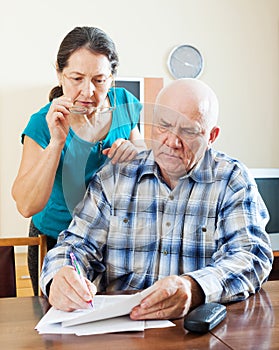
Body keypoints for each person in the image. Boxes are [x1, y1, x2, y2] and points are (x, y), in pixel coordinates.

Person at [40, 78, 273, 319]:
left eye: (189, 131)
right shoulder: (115, 176)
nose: (172, 142)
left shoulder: (231, 179)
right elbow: (75, 246)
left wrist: (194, 288)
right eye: (164, 126)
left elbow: (251, 255)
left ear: (211, 136)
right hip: (122, 327)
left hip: (196, 330)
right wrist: (60, 276)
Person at [11, 26, 146, 296]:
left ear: (112, 78)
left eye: (99, 80)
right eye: (76, 78)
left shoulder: (125, 104)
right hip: (56, 240)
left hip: (112, 238)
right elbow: (26, 205)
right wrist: (56, 143)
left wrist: (134, 151)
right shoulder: (41, 123)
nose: (87, 91)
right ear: (60, 76)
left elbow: (142, 154)